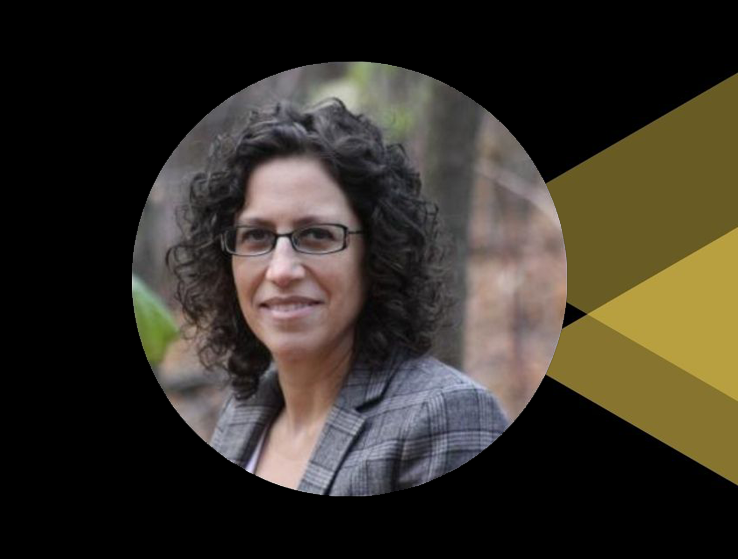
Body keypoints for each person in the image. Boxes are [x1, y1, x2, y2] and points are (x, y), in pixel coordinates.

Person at [166, 97, 509, 495]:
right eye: (256, 236)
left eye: (316, 235)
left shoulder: (445, 417)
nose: (281, 270)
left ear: (378, 253)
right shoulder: (243, 412)